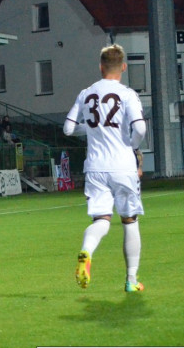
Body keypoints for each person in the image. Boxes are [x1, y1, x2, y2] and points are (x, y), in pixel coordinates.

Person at [63, 44, 147, 292]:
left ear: (100, 67)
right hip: (122, 166)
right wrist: (131, 145)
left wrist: (88, 129)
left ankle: (87, 252)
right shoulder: (127, 94)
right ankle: (131, 280)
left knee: (101, 220)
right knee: (130, 221)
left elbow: (68, 128)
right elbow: (140, 128)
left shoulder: (86, 93)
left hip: (95, 168)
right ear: (123, 67)